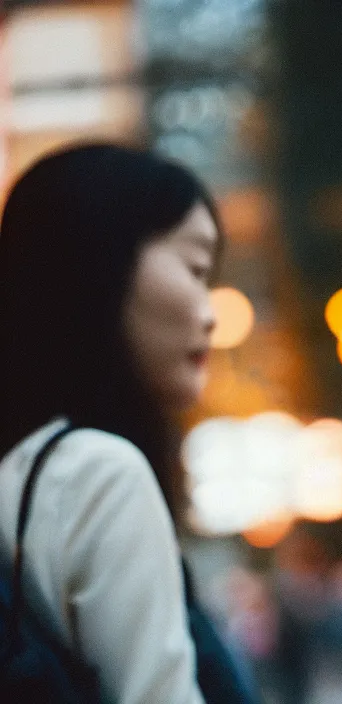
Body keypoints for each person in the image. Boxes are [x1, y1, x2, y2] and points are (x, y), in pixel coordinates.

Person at [0, 143, 248, 703]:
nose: (210, 315)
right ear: (100, 263)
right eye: (196, 269)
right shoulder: (99, 474)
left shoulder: (23, 469)